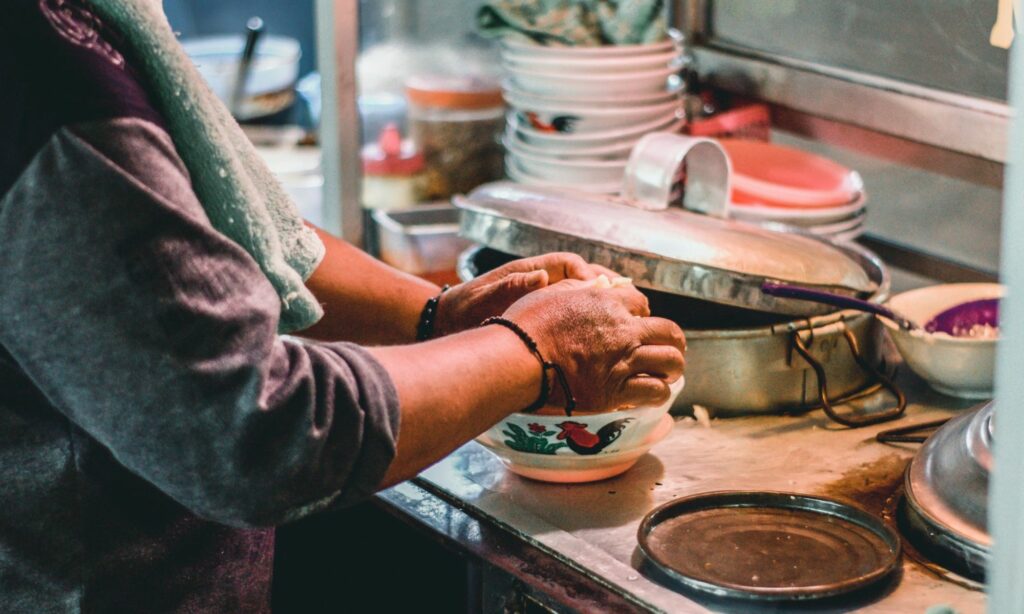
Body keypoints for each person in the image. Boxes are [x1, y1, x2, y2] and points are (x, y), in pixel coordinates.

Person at [0, 1, 686, 612]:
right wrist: (531, 351)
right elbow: (248, 431)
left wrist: (441, 316)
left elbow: (242, 236)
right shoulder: (39, 76)